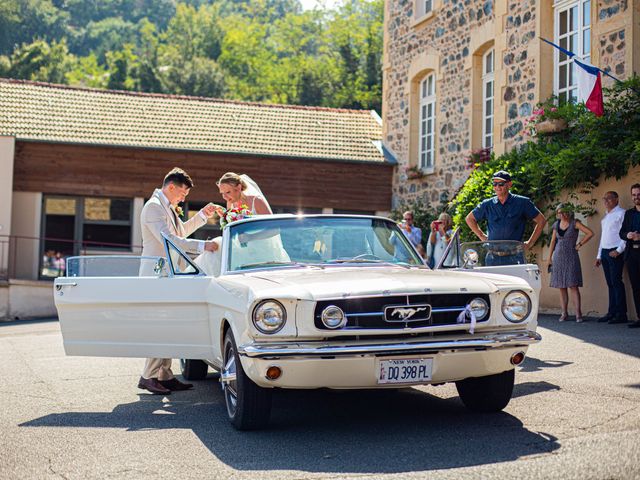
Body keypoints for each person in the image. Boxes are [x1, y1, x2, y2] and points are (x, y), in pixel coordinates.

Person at [138, 167, 218, 395]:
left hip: (168, 275)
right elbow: (170, 241)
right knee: (157, 326)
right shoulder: (153, 207)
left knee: (167, 325)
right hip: (156, 275)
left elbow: (181, 232)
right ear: (171, 187)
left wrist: (202, 215)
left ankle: (164, 375)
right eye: (182, 193)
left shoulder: (166, 207)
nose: (183, 198)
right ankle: (148, 376)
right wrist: (203, 246)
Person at [465, 170, 545, 265]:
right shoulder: (487, 204)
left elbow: (541, 221)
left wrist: (530, 243)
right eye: (495, 184)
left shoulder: (522, 202)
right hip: (492, 257)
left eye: (501, 184)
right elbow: (469, 219)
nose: (497, 187)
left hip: (515, 257)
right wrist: (482, 236)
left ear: (509, 184)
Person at [547, 204, 594, 322]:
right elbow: (553, 241)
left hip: (571, 256)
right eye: (560, 212)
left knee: (573, 285)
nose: (562, 214)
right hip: (558, 257)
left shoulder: (575, 223)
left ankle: (578, 314)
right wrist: (549, 258)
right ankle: (564, 313)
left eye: (565, 212)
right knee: (561, 286)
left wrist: (579, 244)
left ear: (569, 212)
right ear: (557, 213)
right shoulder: (556, 224)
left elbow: (590, 233)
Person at [594, 191, 627, 324]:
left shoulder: (621, 213)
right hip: (605, 253)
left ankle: (621, 314)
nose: (606, 201)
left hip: (615, 252)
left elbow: (624, 235)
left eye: (609, 198)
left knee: (616, 282)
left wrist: (619, 250)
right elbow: (603, 237)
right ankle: (612, 312)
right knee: (610, 283)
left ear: (616, 199)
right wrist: (599, 255)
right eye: (604, 198)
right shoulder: (606, 217)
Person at [619, 183, 640, 329]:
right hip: (632, 254)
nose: (636, 197)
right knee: (636, 287)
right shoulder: (629, 214)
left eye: (638, 194)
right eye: (634, 195)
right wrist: (628, 234)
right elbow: (621, 233)